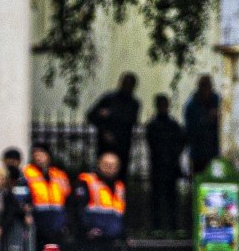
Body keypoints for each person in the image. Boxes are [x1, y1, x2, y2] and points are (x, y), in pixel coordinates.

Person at [68, 151, 127, 251]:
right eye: (106, 164)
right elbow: (77, 208)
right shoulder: (87, 181)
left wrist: (123, 235)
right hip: (91, 240)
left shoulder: (119, 186)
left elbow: (121, 214)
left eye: (113, 165)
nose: (110, 168)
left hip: (112, 241)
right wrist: (86, 230)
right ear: (99, 164)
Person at [144, 94, 188, 234]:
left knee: (171, 198)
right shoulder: (156, 125)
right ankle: (159, 226)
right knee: (158, 197)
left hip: (168, 165)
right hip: (160, 165)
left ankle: (171, 226)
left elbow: (181, 141)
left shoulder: (170, 125)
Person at [87, 72, 140, 179]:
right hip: (105, 143)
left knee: (120, 174)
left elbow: (130, 120)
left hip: (122, 144)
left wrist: (109, 114)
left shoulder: (134, 103)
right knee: (103, 171)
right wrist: (103, 131)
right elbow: (91, 115)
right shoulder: (109, 98)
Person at [24, 144, 71, 251]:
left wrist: (66, 221)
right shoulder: (27, 173)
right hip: (38, 221)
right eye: (36, 155)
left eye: (41, 155)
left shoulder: (59, 175)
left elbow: (67, 197)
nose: (38, 158)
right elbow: (23, 198)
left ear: (48, 156)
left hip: (57, 222)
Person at [184, 75, 222, 177]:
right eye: (204, 87)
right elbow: (191, 128)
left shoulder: (217, 100)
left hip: (214, 152)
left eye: (208, 87)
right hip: (198, 153)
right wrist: (207, 118)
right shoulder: (192, 105)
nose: (206, 90)